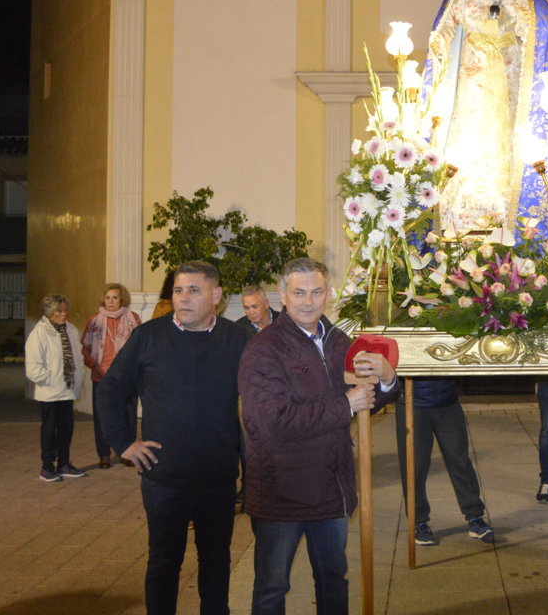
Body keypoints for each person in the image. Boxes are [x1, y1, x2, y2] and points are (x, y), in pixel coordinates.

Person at [239, 257, 399, 615]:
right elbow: (272, 421)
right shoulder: (263, 349)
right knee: (272, 587)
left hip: (330, 487)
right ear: (282, 295)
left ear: (328, 293)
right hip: (281, 491)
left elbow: (367, 397)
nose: (308, 301)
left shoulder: (340, 342)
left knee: (333, 579)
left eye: (316, 292)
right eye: (299, 293)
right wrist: (345, 405)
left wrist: (388, 378)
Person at [97, 260, 248, 615]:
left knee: (216, 561)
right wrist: (124, 443)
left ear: (216, 295)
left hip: (217, 477)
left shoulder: (238, 340)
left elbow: (266, 394)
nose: (183, 298)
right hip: (164, 478)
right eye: (178, 290)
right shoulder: (148, 337)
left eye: (194, 290)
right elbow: (110, 390)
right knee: (164, 562)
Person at [425, 0, 548, 239]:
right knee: (472, 127)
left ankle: (506, 198)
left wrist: (532, 35)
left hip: (507, 68)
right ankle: (470, 201)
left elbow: (530, 23)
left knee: (508, 129)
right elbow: (447, 25)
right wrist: (438, 42)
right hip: (473, 71)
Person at [395, 379, 494, 546]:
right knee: (414, 467)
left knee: (460, 462)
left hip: (447, 401)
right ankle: (418, 522)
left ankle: (475, 517)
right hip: (412, 404)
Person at [25, 294, 88, 482]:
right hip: (50, 391)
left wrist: (78, 374)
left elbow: (77, 356)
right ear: (49, 312)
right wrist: (50, 379)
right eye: (59, 311)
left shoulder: (71, 329)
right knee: (49, 430)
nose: (63, 314)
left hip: (68, 389)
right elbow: (33, 367)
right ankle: (47, 467)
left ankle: (64, 463)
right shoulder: (39, 333)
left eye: (65, 310)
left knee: (66, 427)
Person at [81, 282, 143, 468]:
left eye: (115, 298)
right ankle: (104, 455)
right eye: (108, 298)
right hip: (102, 376)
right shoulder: (94, 321)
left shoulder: (133, 319)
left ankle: (126, 453)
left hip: (127, 377)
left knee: (128, 416)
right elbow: (85, 348)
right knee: (102, 417)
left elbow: (140, 346)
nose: (111, 301)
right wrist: (95, 365)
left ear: (122, 299)